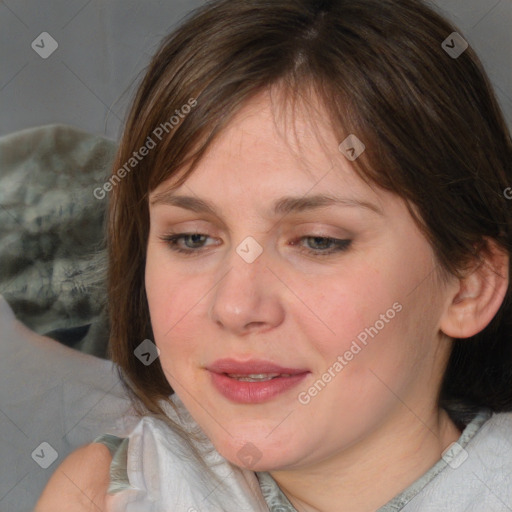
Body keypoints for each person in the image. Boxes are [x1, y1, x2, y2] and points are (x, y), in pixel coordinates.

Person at [35, 0, 512, 510]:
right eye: (192, 238)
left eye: (318, 241)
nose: (236, 307)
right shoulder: (102, 494)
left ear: (468, 286)